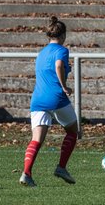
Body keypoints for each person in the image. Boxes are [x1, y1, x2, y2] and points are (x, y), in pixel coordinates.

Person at [19, 16, 78, 187]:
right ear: (63, 35)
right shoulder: (62, 50)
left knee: (36, 139)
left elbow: (51, 70)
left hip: (38, 100)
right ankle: (61, 167)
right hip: (56, 98)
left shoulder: (42, 52)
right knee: (73, 131)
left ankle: (26, 174)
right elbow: (58, 65)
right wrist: (65, 86)